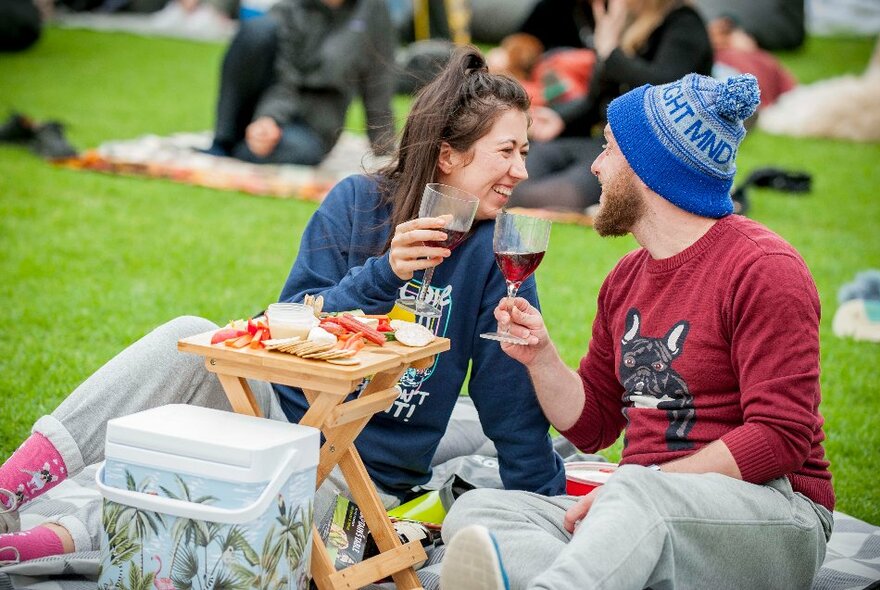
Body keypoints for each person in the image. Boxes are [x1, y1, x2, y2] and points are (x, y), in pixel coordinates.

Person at [0, 46, 566, 566]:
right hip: (273, 413)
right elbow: (284, 326)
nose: (521, 170)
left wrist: (552, 511)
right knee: (191, 335)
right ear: (448, 156)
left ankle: (42, 543)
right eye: (507, 152)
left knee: (228, 481)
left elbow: (508, 406)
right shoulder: (356, 203)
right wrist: (384, 275)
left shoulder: (499, 255)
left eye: (525, 152)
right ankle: (9, 489)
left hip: (355, 475)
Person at [440, 73, 835, 590]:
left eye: (607, 149)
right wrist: (541, 358)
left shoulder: (764, 269)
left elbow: (780, 437)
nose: (595, 167)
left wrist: (640, 489)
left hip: (776, 512)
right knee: (480, 511)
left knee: (633, 494)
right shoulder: (625, 277)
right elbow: (594, 427)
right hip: (643, 512)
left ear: (652, 169)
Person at [510, 0, 713, 213]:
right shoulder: (626, 24)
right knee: (519, 171)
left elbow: (663, 91)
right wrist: (560, 119)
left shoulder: (684, 25)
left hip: (643, 155)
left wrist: (611, 54)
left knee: (530, 197)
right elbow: (599, 101)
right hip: (601, 142)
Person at [202, 0, 397, 165]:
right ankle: (226, 139)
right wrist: (269, 118)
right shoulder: (290, 7)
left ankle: (244, 146)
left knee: (299, 150)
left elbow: (379, 82)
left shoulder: (374, 11)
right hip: (269, 103)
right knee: (256, 31)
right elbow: (283, 76)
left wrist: (386, 153)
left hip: (315, 125)